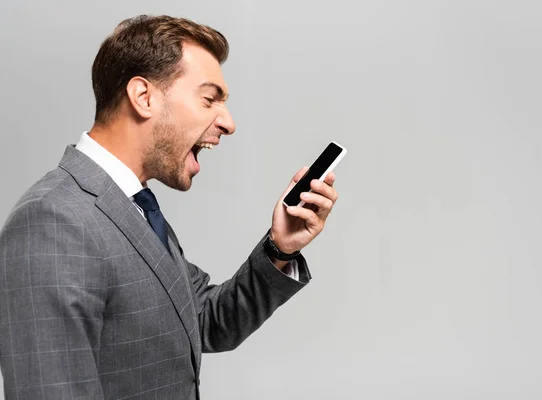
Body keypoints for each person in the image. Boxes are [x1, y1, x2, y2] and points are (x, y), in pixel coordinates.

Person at [0, 15, 339, 399]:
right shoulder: (53, 221)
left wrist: (281, 249)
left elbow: (207, 321)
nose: (228, 123)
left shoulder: (136, 207)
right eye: (210, 99)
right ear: (144, 97)